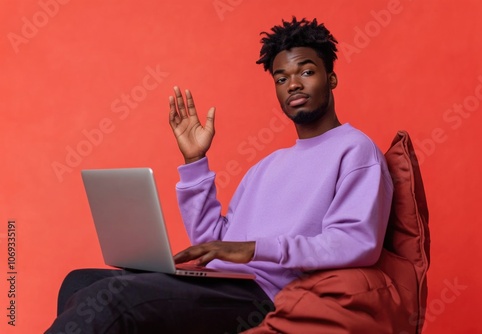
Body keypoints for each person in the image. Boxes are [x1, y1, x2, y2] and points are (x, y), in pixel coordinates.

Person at [45, 17, 393, 333]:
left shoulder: (355, 149)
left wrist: (256, 249)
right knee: (78, 283)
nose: (293, 85)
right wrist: (195, 159)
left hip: (264, 295)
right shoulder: (267, 166)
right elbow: (214, 240)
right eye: (282, 78)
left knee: (113, 297)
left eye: (306, 71)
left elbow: (355, 243)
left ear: (331, 77)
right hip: (221, 282)